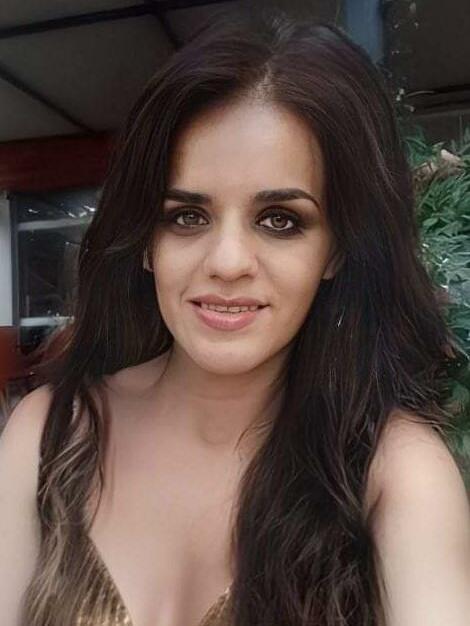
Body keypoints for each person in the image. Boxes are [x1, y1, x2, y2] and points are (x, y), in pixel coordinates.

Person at [1, 7, 469, 626]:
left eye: (280, 221)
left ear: (336, 251)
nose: (225, 262)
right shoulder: (49, 436)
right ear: (145, 241)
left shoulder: (393, 474)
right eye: (187, 216)